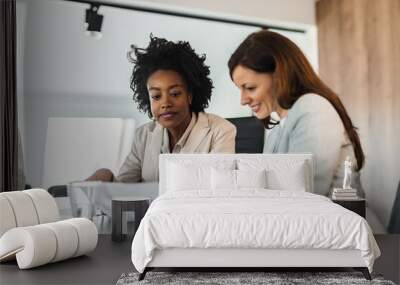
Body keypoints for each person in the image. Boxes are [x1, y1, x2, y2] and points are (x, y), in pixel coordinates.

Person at [228, 30, 364, 197]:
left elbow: (304, 195)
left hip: (331, 221)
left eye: (250, 88)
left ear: (279, 75)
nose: (243, 100)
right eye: (240, 89)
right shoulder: (277, 130)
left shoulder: (312, 107)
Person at [87, 36, 236, 183]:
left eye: (175, 94)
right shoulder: (143, 135)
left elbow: (218, 188)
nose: (165, 103)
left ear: (190, 95)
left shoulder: (221, 131)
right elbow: (124, 188)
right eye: (156, 96)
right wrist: (106, 176)